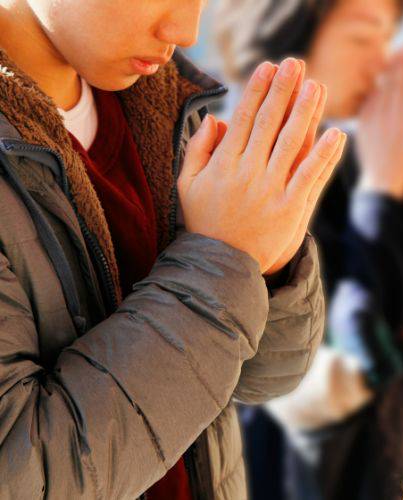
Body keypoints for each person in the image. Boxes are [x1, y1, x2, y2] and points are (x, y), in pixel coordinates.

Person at [0, 0, 346, 498]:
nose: (185, 29)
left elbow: (264, 378)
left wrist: (269, 262)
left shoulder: (163, 103)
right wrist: (221, 259)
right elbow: (24, 473)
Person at [215, 0, 403, 498]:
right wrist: (384, 194)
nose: (380, 62)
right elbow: (348, 344)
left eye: (386, 39)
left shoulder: (337, 156)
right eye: (362, 38)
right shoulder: (236, 165)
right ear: (286, 32)